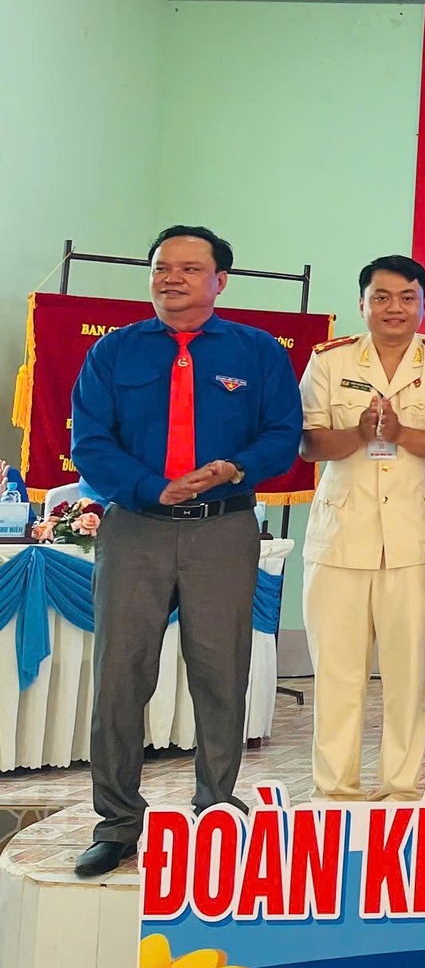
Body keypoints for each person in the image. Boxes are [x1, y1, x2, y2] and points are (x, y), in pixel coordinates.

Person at [67, 226, 300, 878]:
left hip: (222, 528)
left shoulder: (257, 351)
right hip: (135, 527)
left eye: (189, 268)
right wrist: (151, 487)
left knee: (221, 674)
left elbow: (283, 434)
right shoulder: (114, 352)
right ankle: (117, 822)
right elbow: (90, 442)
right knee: (120, 676)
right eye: (161, 267)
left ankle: (217, 808)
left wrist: (234, 468)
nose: (171, 277)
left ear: (220, 281)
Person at [298, 255, 425, 802]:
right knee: (337, 675)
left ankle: (399, 790)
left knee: (408, 675)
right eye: (382, 297)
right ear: (362, 303)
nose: (395, 308)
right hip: (340, 538)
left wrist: (400, 432)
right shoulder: (329, 359)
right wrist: (357, 432)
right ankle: (335, 791)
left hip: (415, 537)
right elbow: (309, 443)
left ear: (424, 304)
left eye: (407, 297)